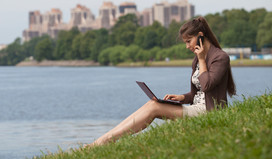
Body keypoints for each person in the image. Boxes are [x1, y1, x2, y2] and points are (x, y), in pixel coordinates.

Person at [89, 16, 236, 146]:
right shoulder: (197, 58)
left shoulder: (220, 57)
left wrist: (202, 59)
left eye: (188, 41)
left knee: (154, 108)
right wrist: (182, 98)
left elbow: (207, 85)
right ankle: (105, 139)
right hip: (196, 109)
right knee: (152, 103)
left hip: (209, 113)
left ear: (200, 36)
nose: (187, 46)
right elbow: (197, 93)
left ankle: (104, 141)